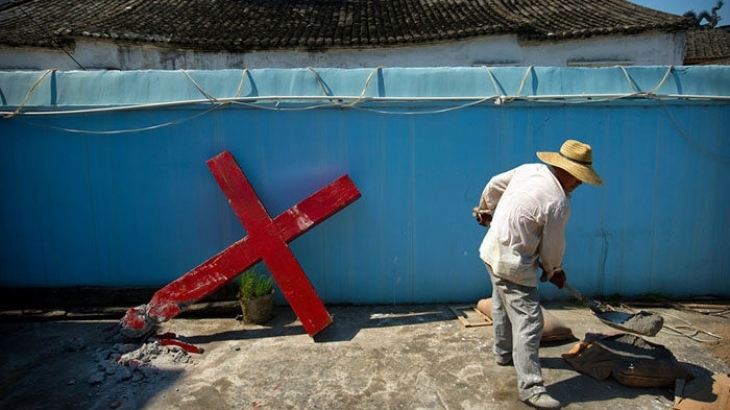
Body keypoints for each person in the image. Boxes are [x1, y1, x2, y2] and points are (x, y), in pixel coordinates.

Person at [473, 139, 603, 410]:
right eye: (578, 177)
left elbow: (495, 184)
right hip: (514, 265)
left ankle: (502, 353)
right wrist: (554, 270)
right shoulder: (557, 203)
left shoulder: (530, 169)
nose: (579, 183)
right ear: (563, 169)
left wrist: (486, 209)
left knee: (500, 302)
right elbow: (553, 247)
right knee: (529, 323)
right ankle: (531, 388)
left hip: (491, 250)